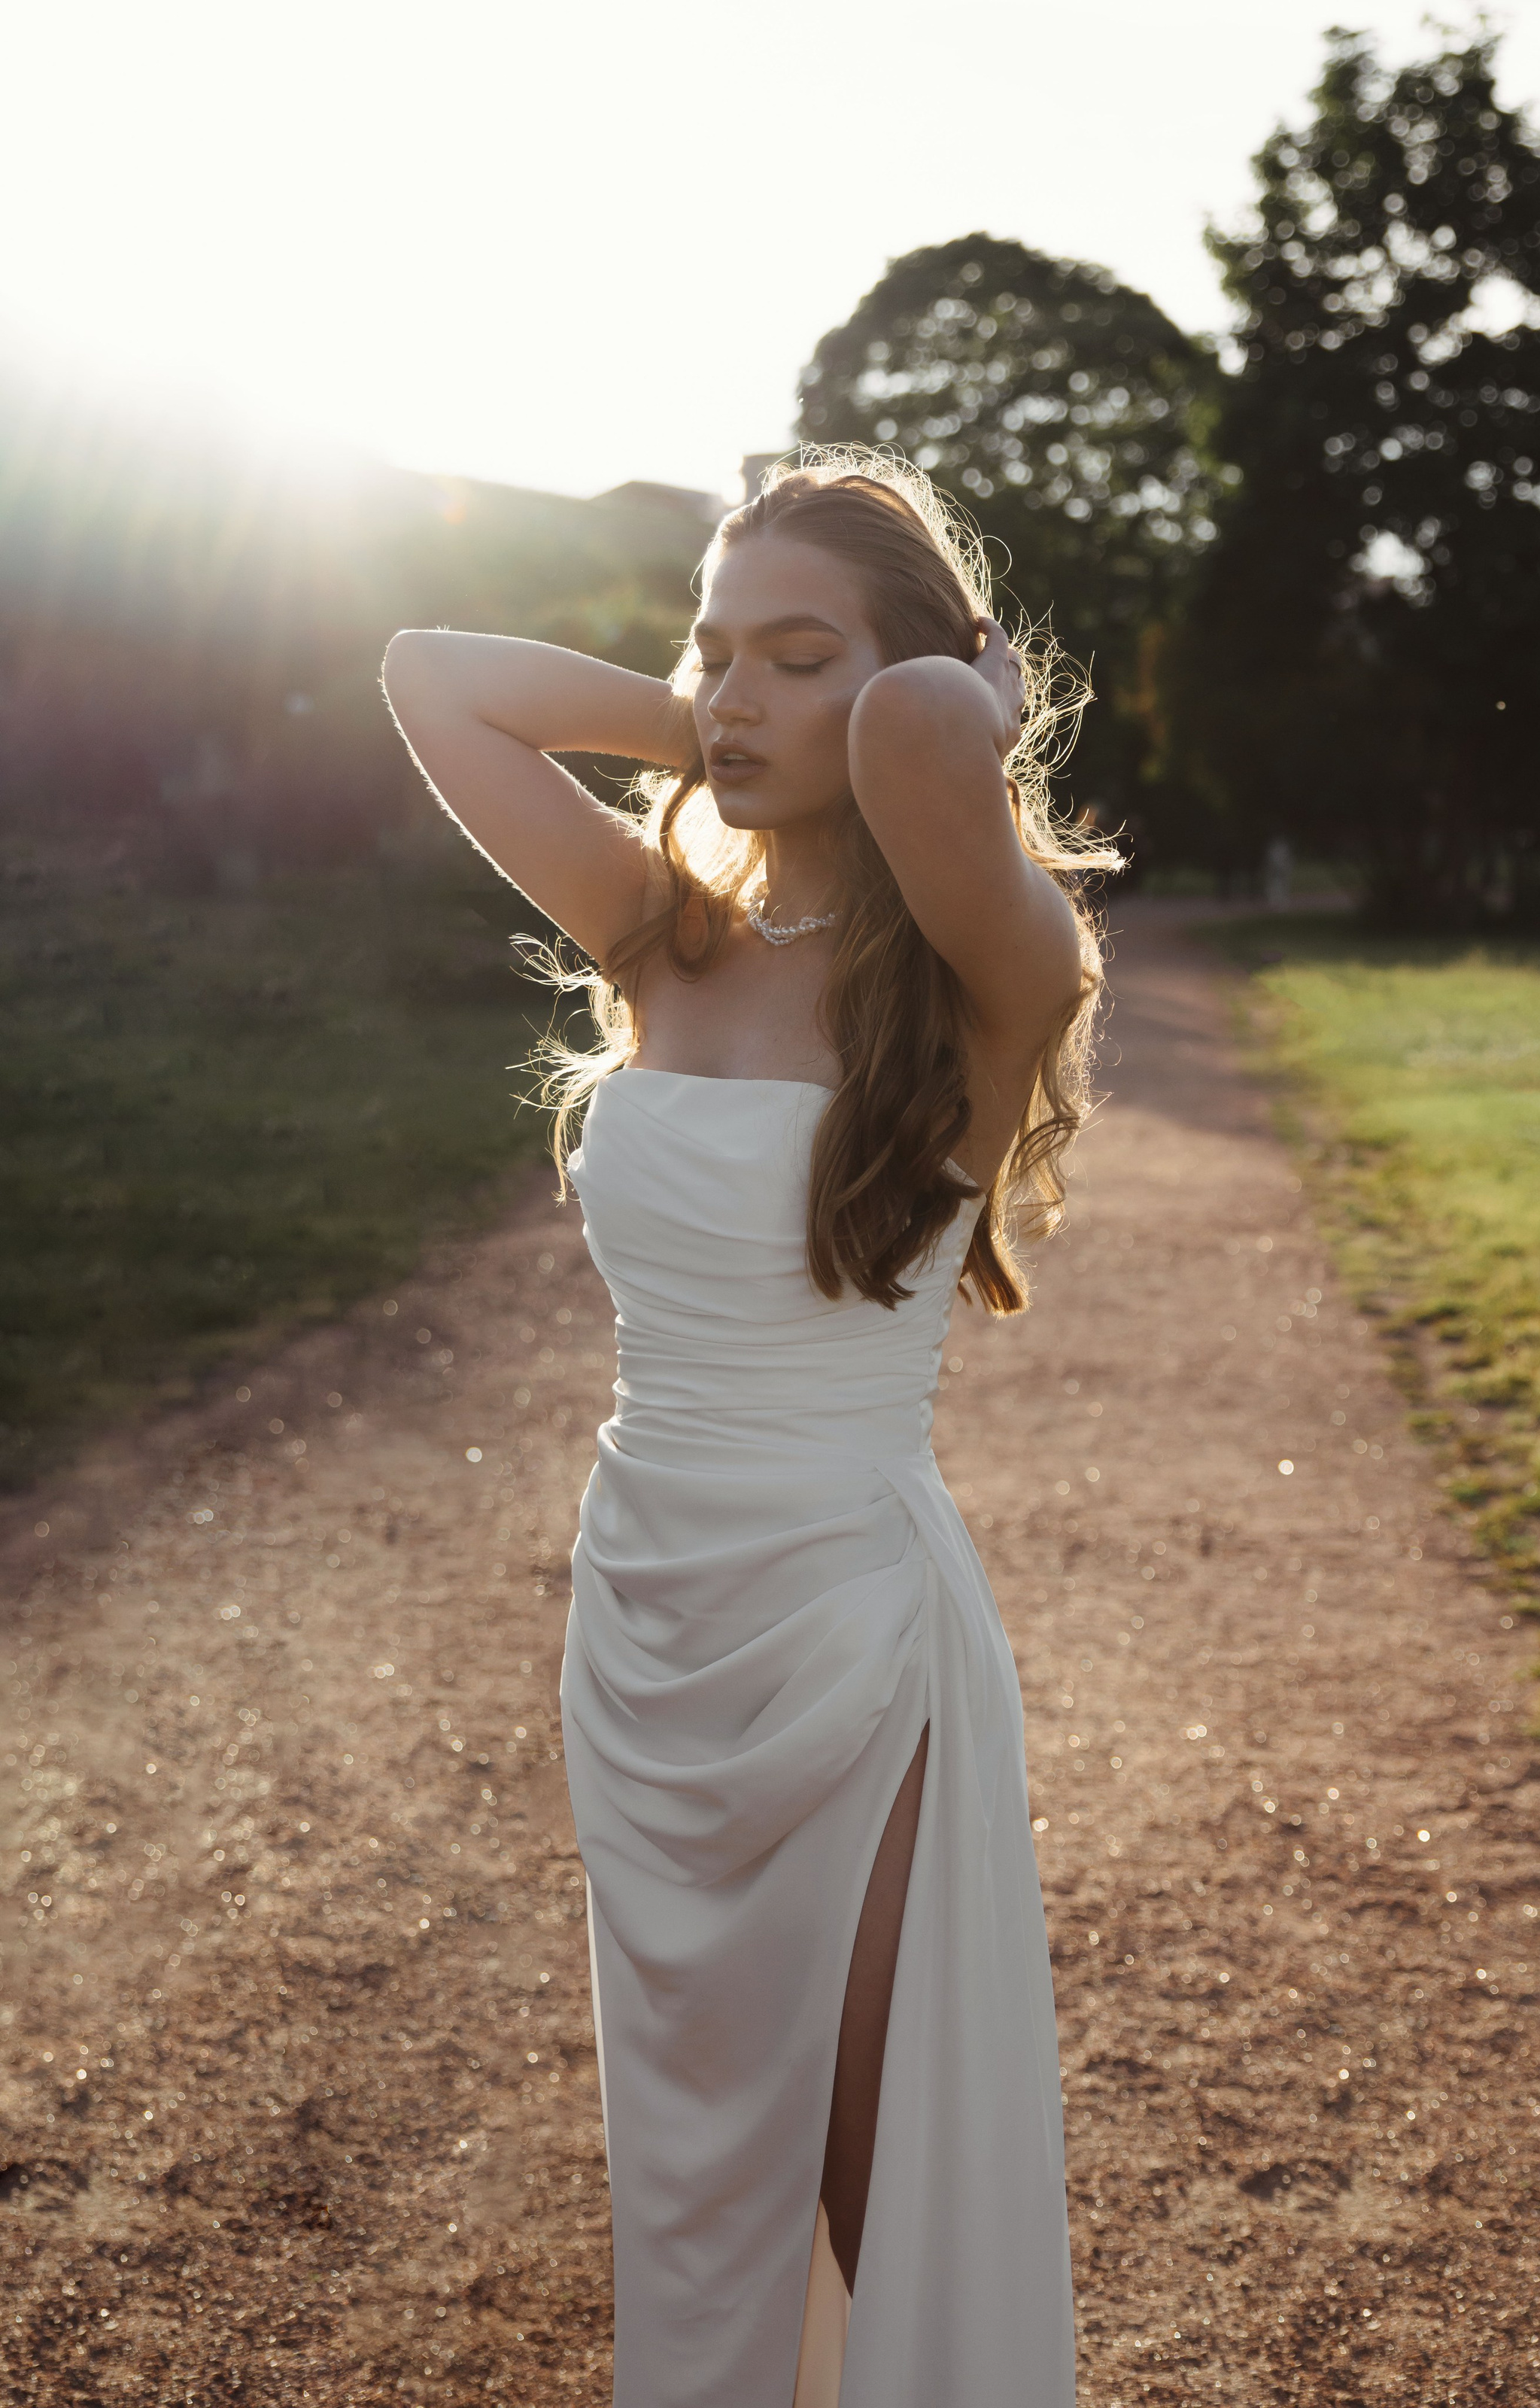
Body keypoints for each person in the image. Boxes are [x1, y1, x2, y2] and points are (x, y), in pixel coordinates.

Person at [380, 451, 1113, 2408]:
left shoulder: (986, 979)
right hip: (647, 1622)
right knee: (705, 2182)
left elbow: (934, 732)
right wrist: (711, 717)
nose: (738, 693)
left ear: (916, 680)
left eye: (803, 656)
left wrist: (950, 692)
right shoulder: (660, 935)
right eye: (718, 650)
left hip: (845, 1630)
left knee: (874, 2167)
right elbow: (432, 675)